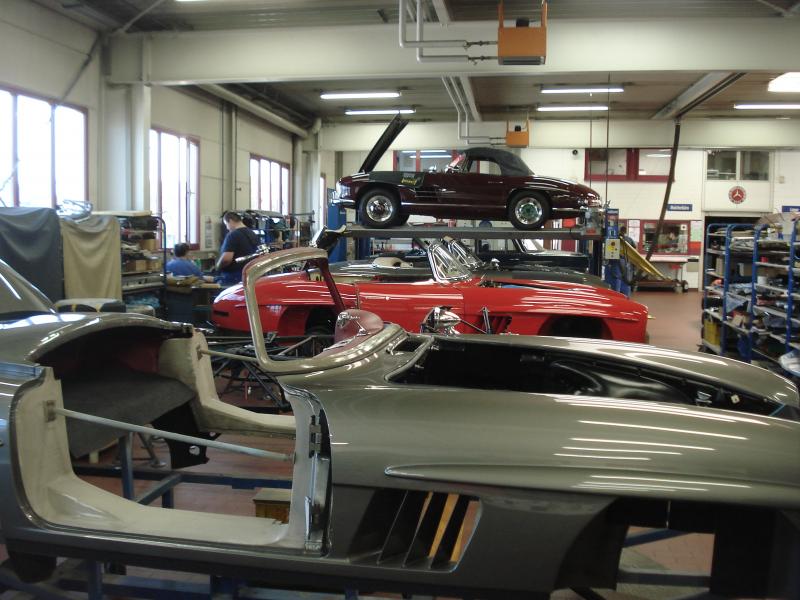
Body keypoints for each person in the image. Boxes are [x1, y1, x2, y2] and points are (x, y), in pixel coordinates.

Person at [215, 211, 260, 285]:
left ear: (230, 221)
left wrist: (217, 267)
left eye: (226, 224)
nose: (227, 228)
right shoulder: (252, 234)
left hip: (233, 277)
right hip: (249, 275)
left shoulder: (233, 235)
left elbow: (226, 259)